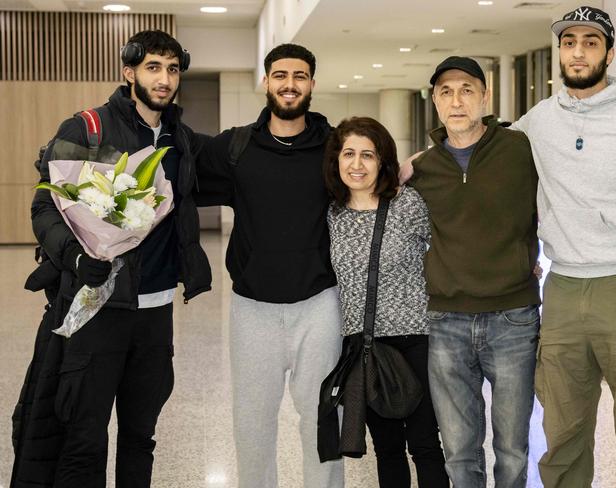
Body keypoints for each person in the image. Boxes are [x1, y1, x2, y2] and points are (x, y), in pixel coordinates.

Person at [16, 30, 211, 487]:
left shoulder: (181, 138)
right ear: (129, 72)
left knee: (141, 437)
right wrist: (76, 259)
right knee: (84, 436)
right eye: (153, 67)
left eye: (172, 69)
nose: (164, 79)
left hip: (156, 309)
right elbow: (46, 206)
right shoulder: (87, 127)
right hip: (98, 307)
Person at [510, 6, 616, 487]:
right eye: (569, 42)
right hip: (564, 289)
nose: (578, 51)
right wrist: (410, 163)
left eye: (591, 42)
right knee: (562, 430)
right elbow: (487, 158)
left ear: (609, 53)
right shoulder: (539, 121)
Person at [195, 44, 343, 488]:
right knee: (252, 423)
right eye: (280, 75)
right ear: (266, 82)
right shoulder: (236, 146)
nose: (290, 84)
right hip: (252, 307)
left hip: (320, 303)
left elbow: (379, 183)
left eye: (300, 76)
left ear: (312, 84)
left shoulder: (336, 147)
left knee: (321, 418)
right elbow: (180, 181)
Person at [401, 56, 540, 487]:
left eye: (466, 90)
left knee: (513, 450)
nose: (456, 100)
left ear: (485, 96)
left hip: (513, 318)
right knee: (459, 452)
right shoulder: (419, 169)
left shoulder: (520, 149)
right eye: (446, 91)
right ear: (435, 102)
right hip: (445, 322)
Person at [322, 116, 449, 487]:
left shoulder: (407, 203)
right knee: (387, 448)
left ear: (383, 161)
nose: (357, 164)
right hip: (364, 347)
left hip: (416, 340)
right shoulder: (332, 212)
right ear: (336, 160)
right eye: (349, 154)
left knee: (425, 444)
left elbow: (445, 248)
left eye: (368, 155)